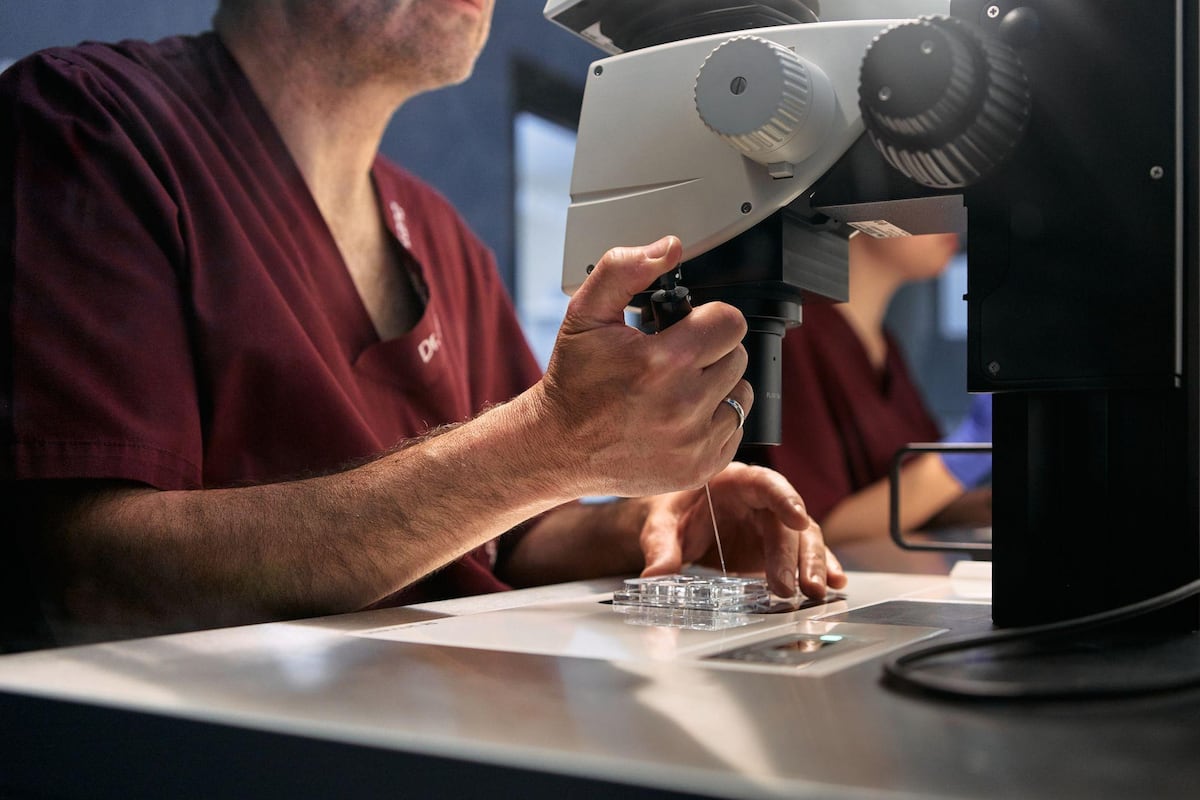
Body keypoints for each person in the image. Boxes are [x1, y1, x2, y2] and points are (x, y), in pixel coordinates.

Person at [0, 1, 845, 650]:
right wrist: (547, 442)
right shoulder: (87, 126)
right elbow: (87, 577)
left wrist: (643, 521)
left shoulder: (441, 237)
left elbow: (509, 539)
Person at [744, 232, 992, 571]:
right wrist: (974, 443)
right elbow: (818, 526)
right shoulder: (792, 334)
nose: (952, 219)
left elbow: (913, 500)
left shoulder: (886, 345)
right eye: (928, 191)